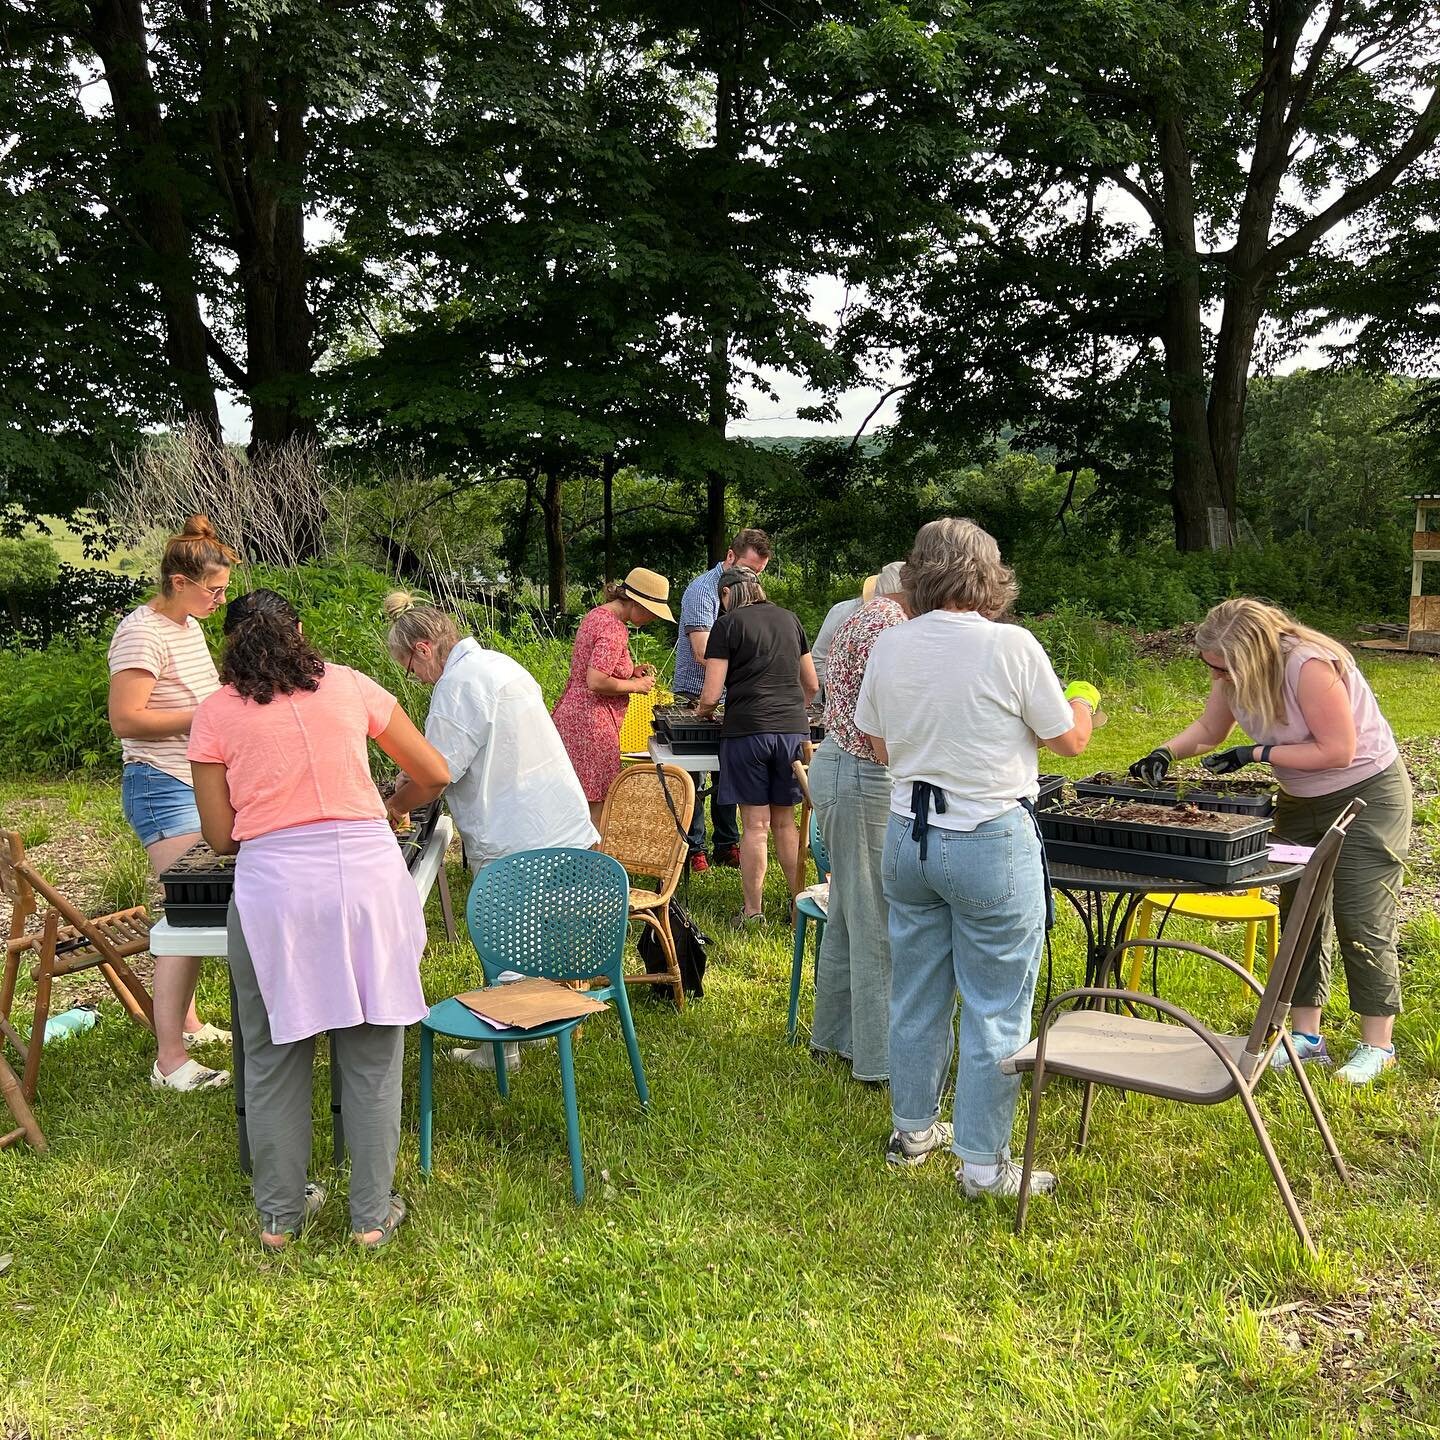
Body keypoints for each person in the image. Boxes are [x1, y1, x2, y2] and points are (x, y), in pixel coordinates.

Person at [189, 590, 450, 1251]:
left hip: (275, 890)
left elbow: (220, 837)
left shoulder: (216, 713)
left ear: (230, 644)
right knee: (370, 1055)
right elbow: (434, 773)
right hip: (366, 879)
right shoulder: (350, 686)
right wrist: (390, 801)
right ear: (299, 632)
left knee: (274, 1056)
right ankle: (370, 1216)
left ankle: (280, 1218)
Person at [853, 517, 1097, 1200]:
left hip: (908, 836)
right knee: (997, 1005)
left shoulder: (890, 644)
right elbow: (1070, 741)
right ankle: (984, 1167)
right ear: (989, 576)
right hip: (988, 836)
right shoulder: (1011, 645)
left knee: (917, 989)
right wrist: (1082, 698)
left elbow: (874, 745)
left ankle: (912, 1132)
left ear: (919, 573)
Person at [1128, 598, 1412, 1086]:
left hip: (1367, 796)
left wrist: (1257, 752)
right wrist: (1165, 752)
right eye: (1208, 666)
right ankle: (1307, 1037)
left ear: (1249, 655)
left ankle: (1378, 1045)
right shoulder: (1233, 675)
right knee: (1300, 911)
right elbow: (1209, 730)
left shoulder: (1309, 666)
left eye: (1220, 667)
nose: (1215, 677)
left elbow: (1337, 750)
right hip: (1301, 802)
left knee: (1361, 915)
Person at [382, 591, 601, 1078]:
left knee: (505, 942)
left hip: (515, 832)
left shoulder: (456, 685)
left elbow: (437, 772)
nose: (413, 678)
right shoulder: (499, 664)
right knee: (537, 935)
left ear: (422, 648)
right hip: (557, 820)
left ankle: (505, 1045)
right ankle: (540, 1021)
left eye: (408, 666)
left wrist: (395, 804)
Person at [107, 514, 235, 1094]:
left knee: (198, 907)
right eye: (214, 589)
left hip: (192, 780)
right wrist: (207, 717)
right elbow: (126, 719)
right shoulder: (142, 632)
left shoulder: (186, 625)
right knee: (191, 912)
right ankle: (170, 1062)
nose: (220, 598)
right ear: (180, 582)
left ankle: (187, 1022)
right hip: (161, 783)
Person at [809, 561, 908, 1082]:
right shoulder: (890, 625)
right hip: (863, 773)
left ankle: (833, 1037)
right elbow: (888, 720)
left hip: (838, 765)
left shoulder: (859, 615)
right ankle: (878, 1060)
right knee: (876, 922)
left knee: (849, 911)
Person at [695, 566, 819, 928]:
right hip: (793, 732)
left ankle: (753, 912)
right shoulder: (790, 619)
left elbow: (711, 693)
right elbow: (810, 684)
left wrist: (703, 712)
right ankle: (800, 909)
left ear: (727, 594)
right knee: (785, 823)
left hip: (747, 731)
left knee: (754, 825)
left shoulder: (728, 624)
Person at [673, 529, 773, 872]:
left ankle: (727, 843)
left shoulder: (750, 594)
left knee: (729, 770)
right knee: (696, 775)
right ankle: (695, 846)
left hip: (734, 695)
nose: (752, 578)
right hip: (696, 692)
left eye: (758, 573)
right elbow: (703, 652)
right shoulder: (702, 591)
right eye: (748, 569)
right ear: (730, 557)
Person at [551, 567, 675, 826]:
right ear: (638, 603)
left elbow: (596, 665)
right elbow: (596, 680)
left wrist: (631, 671)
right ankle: (592, 865)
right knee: (596, 804)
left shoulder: (597, 615)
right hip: (592, 725)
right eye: (652, 612)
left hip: (573, 716)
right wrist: (637, 685)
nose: (652, 618)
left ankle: (570, 862)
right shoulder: (614, 629)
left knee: (575, 800)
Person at [812, 570, 893, 703]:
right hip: (840, 701)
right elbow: (818, 659)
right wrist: (843, 688)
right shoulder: (841, 612)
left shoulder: (898, 620)